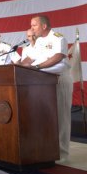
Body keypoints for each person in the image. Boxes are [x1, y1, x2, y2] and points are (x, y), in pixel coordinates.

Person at [21, 15, 73, 161]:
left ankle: (62, 155)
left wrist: (36, 67)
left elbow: (58, 56)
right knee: (46, 117)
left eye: (34, 25)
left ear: (44, 26)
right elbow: (28, 59)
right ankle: (48, 151)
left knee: (61, 117)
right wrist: (16, 67)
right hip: (42, 82)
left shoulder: (58, 38)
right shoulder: (39, 42)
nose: (32, 28)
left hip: (59, 79)